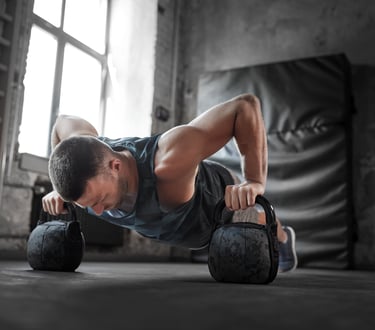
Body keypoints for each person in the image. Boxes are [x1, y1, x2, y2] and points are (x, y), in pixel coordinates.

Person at [42, 93, 297, 272]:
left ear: (115, 166)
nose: (97, 212)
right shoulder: (85, 156)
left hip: (219, 204)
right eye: (88, 205)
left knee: (257, 219)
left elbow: (245, 106)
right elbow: (61, 121)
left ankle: (284, 240)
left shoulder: (169, 161)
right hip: (182, 224)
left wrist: (254, 181)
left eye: (98, 201)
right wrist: (58, 190)